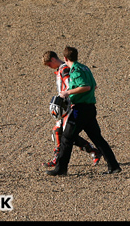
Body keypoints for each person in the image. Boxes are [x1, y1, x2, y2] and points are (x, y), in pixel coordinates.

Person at [47, 46, 122, 176]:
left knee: (66, 138)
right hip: (90, 108)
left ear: (65, 58)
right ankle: (114, 166)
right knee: (98, 139)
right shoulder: (85, 68)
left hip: (80, 109)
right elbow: (94, 86)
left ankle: (61, 169)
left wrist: (68, 92)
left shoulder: (74, 70)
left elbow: (85, 86)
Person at [42, 51, 103, 169]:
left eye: (49, 64)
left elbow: (71, 85)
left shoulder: (64, 69)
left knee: (65, 133)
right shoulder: (64, 68)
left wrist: (68, 98)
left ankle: (91, 151)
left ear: (54, 59)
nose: (50, 67)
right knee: (61, 132)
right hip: (68, 104)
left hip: (69, 105)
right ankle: (92, 151)